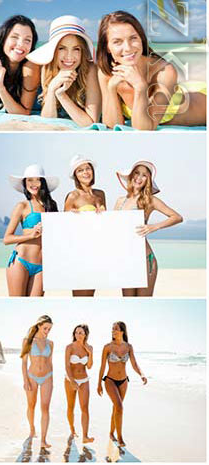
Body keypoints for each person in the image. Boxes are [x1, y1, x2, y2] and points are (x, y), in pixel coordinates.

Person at [97, 9, 206, 128]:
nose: (127, 48)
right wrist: (111, 90)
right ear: (107, 47)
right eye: (117, 42)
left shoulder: (163, 71)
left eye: (133, 38)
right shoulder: (106, 74)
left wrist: (140, 87)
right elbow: (112, 126)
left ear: (141, 39)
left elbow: (145, 128)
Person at [114, 160, 182, 297]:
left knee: (144, 299)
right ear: (131, 176)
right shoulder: (120, 201)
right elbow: (113, 229)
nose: (139, 178)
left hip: (145, 259)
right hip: (125, 258)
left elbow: (176, 217)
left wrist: (154, 227)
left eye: (144, 175)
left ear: (148, 180)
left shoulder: (150, 200)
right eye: (137, 173)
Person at [27, 15, 101, 126]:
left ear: (82, 52)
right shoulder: (47, 68)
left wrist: (62, 96)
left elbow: (91, 123)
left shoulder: (90, 70)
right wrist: (52, 89)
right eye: (62, 48)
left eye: (76, 49)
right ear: (53, 51)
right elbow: (47, 122)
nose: (69, 57)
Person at [4, 164, 58, 297]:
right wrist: (31, 235)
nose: (34, 184)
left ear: (43, 182)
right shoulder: (22, 206)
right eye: (29, 180)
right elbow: (7, 239)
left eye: (37, 180)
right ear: (25, 183)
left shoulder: (52, 206)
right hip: (20, 262)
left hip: (42, 266)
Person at [0, 15, 40, 117]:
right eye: (15, 37)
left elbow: (24, 114)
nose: (21, 44)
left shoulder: (31, 66)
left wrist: (0, 88)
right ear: (3, 39)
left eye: (27, 40)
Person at [97, 322, 147, 450]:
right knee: (119, 406)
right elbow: (102, 366)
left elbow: (134, 364)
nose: (113, 331)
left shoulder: (129, 347)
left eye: (116, 329)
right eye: (112, 329)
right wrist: (99, 384)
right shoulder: (107, 347)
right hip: (110, 380)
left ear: (122, 332)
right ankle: (119, 437)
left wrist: (141, 374)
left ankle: (111, 433)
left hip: (124, 381)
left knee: (116, 408)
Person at [64, 156, 106, 297]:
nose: (85, 172)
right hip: (79, 251)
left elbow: (105, 224)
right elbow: (63, 228)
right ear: (75, 175)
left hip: (97, 250)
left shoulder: (100, 195)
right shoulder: (72, 196)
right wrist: (70, 216)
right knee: (80, 294)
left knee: (91, 293)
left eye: (87, 168)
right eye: (80, 170)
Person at [20, 316, 53, 448]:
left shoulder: (50, 343)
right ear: (39, 326)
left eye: (49, 329)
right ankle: (32, 428)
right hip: (32, 377)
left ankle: (43, 440)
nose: (47, 331)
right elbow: (24, 362)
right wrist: (25, 380)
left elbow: (50, 362)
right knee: (31, 405)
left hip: (47, 378)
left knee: (45, 408)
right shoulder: (28, 341)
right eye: (45, 328)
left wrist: (52, 379)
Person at [65, 325, 94, 446]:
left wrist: (90, 353)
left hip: (84, 380)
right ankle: (72, 429)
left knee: (85, 408)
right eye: (76, 332)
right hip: (70, 380)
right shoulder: (69, 347)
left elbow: (89, 366)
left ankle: (85, 436)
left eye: (81, 333)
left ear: (85, 334)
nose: (78, 335)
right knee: (71, 407)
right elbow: (67, 365)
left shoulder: (89, 347)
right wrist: (72, 381)